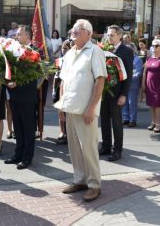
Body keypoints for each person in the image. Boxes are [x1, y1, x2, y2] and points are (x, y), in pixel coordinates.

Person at [57, 19, 107, 202]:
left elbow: (100, 80)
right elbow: (63, 81)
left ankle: (94, 185)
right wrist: (61, 104)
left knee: (88, 147)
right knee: (74, 147)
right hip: (70, 107)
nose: (73, 32)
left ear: (88, 33)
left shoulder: (95, 51)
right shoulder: (70, 52)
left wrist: (91, 108)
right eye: (72, 30)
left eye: (77, 30)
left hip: (86, 110)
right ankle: (80, 180)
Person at [4, 25, 38, 170]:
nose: (16, 36)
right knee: (17, 127)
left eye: (19, 34)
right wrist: (8, 82)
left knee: (28, 128)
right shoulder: (13, 51)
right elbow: (6, 69)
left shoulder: (34, 52)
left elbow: (33, 75)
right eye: (17, 34)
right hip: (14, 94)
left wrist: (17, 82)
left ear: (28, 36)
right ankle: (18, 154)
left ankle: (27, 157)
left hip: (27, 96)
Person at [99, 25, 133, 162]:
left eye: (112, 35)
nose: (109, 37)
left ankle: (117, 150)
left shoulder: (126, 51)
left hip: (117, 93)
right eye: (108, 35)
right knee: (104, 121)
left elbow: (128, 75)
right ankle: (106, 146)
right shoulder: (104, 49)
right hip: (104, 92)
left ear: (119, 36)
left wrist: (124, 94)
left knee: (117, 123)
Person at [142, 39, 160, 133]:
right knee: (151, 104)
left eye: (157, 46)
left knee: (158, 104)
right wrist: (143, 84)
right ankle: (153, 121)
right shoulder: (149, 59)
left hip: (159, 85)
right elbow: (145, 72)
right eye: (153, 46)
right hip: (149, 85)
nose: (154, 47)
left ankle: (158, 123)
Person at [52, 39, 72, 144]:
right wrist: (54, 91)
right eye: (63, 48)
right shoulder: (59, 60)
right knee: (60, 111)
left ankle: (69, 136)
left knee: (68, 113)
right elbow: (56, 75)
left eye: (66, 48)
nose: (64, 50)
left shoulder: (73, 60)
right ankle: (62, 132)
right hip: (60, 87)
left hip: (69, 89)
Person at [122, 44, 143, 128]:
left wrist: (129, 78)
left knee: (132, 103)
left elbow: (138, 72)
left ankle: (132, 120)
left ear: (133, 50)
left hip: (133, 84)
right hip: (124, 83)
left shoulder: (137, 59)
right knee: (125, 102)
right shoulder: (124, 58)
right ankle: (126, 118)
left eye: (129, 49)